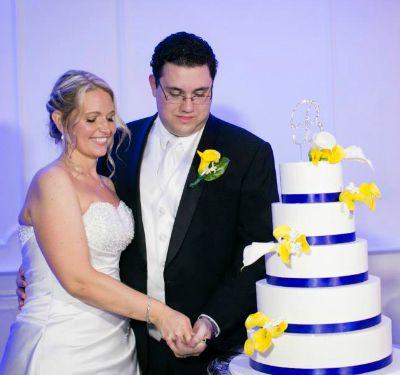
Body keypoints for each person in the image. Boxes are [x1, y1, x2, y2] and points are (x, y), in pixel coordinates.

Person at [17, 32, 279, 374]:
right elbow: (65, 227)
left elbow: (257, 254)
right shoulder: (116, 148)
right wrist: (37, 268)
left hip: (206, 350)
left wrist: (211, 322)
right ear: (153, 84)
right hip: (130, 342)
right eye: (175, 94)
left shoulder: (248, 154)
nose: (188, 106)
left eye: (201, 94)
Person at [2, 70, 193, 375]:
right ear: (59, 121)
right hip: (63, 345)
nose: (105, 128)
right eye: (91, 119)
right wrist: (158, 313)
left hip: (116, 343)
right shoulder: (51, 181)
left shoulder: (108, 184)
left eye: (109, 117)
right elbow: (77, 279)